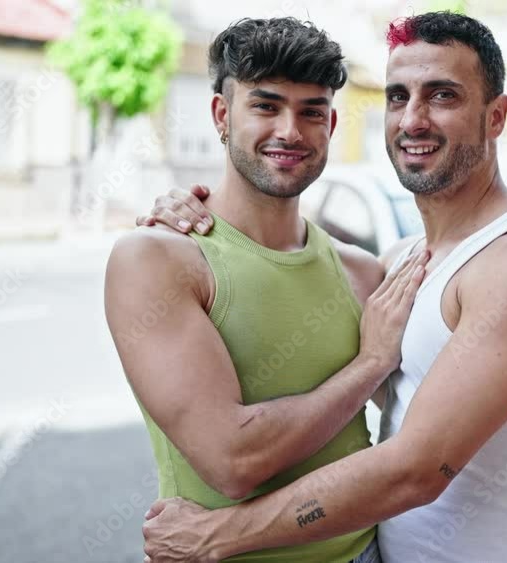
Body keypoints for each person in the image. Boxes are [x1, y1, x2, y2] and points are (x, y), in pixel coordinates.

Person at [139, 12, 507, 563]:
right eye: (398, 97)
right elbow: (424, 409)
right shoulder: (399, 263)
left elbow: (419, 469)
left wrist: (217, 535)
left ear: (495, 116)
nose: (414, 119)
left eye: (443, 96)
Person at [105, 17, 426, 563]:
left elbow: (433, 422)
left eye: (311, 112)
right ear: (221, 115)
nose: (290, 131)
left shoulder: (360, 272)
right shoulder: (158, 259)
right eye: (265, 105)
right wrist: (369, 363)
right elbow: (233, 461)